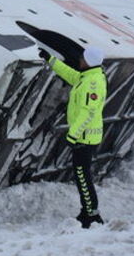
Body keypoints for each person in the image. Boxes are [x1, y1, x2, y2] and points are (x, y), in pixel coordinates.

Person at [38, 46, 108, 228]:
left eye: (83, 58)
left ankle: (92, 215)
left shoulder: (92, 83)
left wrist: (72, 135)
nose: (80, 60)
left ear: (89, 61)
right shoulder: (88, 76)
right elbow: (70, 74)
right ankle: (88, 212)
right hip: (84, 136)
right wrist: (50, 60)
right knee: (82, 175)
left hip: (84, 138)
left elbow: (88, 112)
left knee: (83, 176)